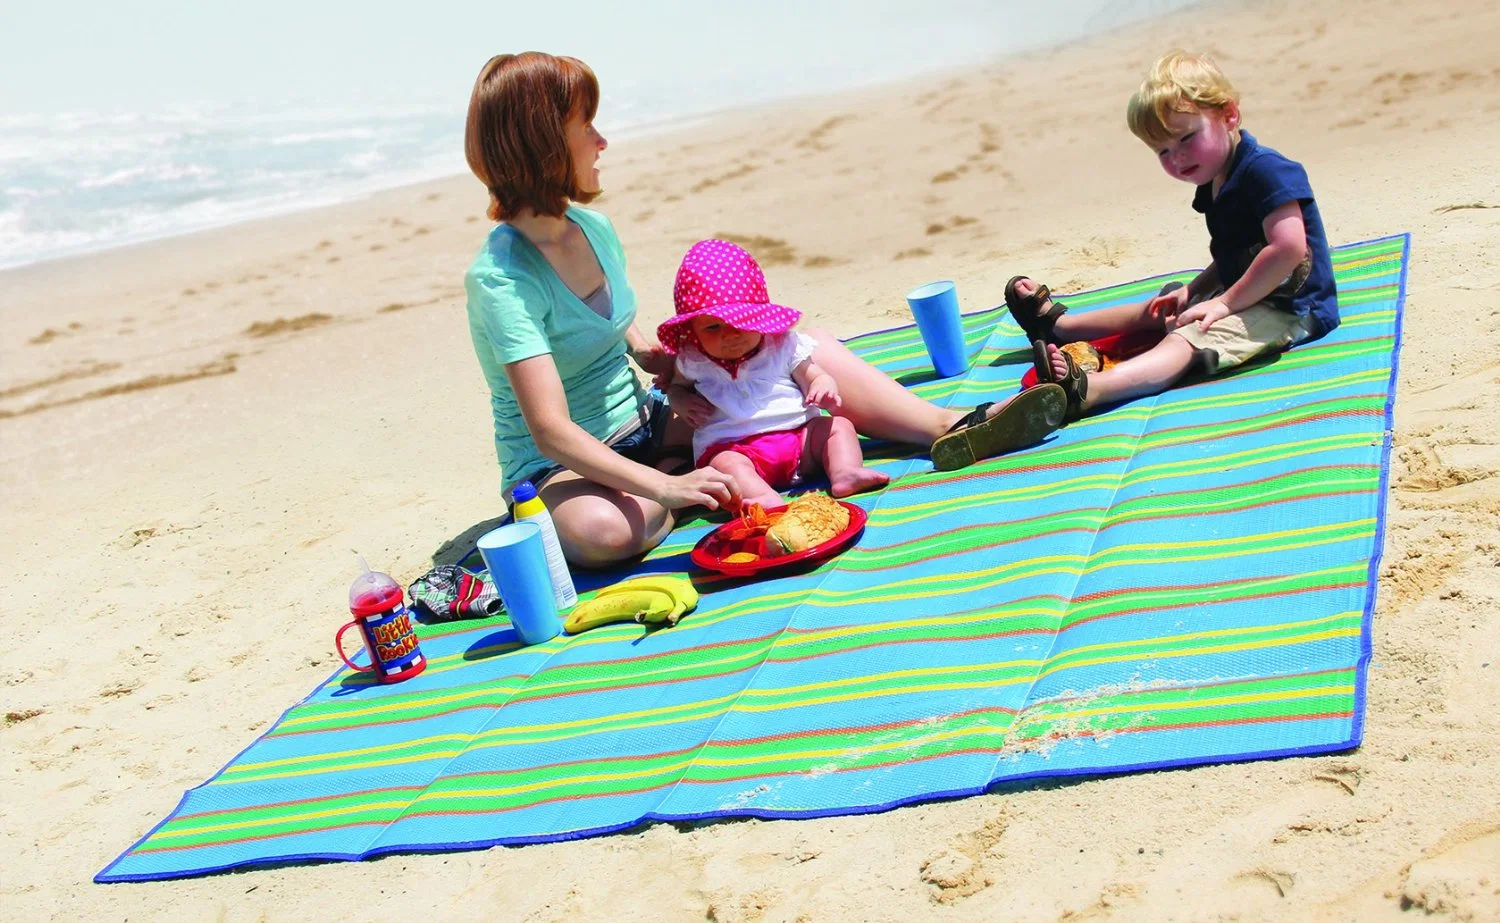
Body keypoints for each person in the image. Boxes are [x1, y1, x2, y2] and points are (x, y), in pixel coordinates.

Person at [462, 51, 1066, 567]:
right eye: (585, 125)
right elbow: (551, 428)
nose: (602, 140)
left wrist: (666, 359)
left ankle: (947, 426)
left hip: (650, 420)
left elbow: (616, 332)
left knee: (797, 347)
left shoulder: (592, 228)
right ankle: (683, 485)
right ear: (542, 145)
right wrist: (668, 486)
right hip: (565, 466)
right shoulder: (503, 279)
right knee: (608, 532)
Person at [1010, 50, 1338, 418]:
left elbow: (1288, 248)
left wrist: (1224, 303)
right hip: (1256, 292)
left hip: (1292, 308)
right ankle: (1058, 327)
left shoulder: (1268, 171)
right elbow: (1237, 252)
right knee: (1169, 305)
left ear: (1229, 115)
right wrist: (1196, 290)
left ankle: (1088, 390)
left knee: (1189, 337)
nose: (1177, 158)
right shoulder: (1218, 176)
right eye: (1163, 150)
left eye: (1186, 139)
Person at [658, 239, 890, 510]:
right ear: (692, 331)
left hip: (799, 438)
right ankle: (762, 498)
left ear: (760, 318)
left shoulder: (782, 345)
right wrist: (681, 401)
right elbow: (675, 388)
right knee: (724, 465)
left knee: (838, 427)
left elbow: (814, 375)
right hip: (736, 448)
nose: (729, 335)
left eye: (741, 322)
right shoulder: (693, 360)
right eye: (712, 327)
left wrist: (823, 385)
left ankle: (845, 473)